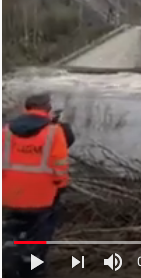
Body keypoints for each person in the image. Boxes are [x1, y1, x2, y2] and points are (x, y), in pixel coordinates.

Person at [2, 93, 75, 274]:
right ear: (47, 109)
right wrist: (62, 185)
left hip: (9, 194)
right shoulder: (54, 131)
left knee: (10, 233)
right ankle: (33, 270)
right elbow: (60, 164)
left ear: (26, 108)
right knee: (38, 236)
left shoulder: (6, 130)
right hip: (42, 196)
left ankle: (8, 267)